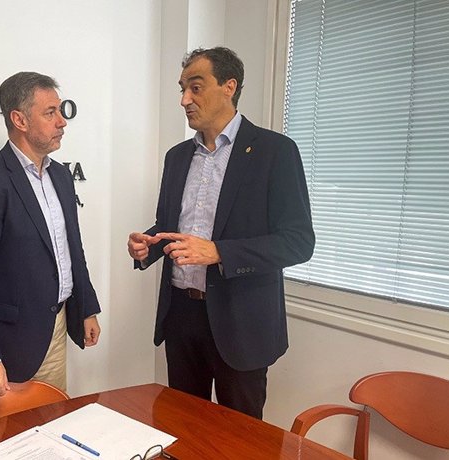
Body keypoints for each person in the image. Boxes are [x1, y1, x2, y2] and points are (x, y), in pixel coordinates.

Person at [127, 47, 314, 419]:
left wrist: (220, 253)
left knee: (239, 440)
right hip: (181, 316)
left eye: (195, 88)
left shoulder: (275, 152)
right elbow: (171, 227)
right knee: (182, 426)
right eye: (182, 89)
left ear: (230, 86)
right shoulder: (177, 157)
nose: (185, 100)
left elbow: (298, 242)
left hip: (240, 320)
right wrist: (148, 245)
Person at [0, 71, 101, 395]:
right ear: (19, 119)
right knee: (7, 441)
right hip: (8, 342)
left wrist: (86, 307)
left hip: (56, 327)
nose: (62, 121)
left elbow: (71, 248)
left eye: (61, 111)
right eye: (50, 113)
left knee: (52, 427)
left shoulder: (61, 176)